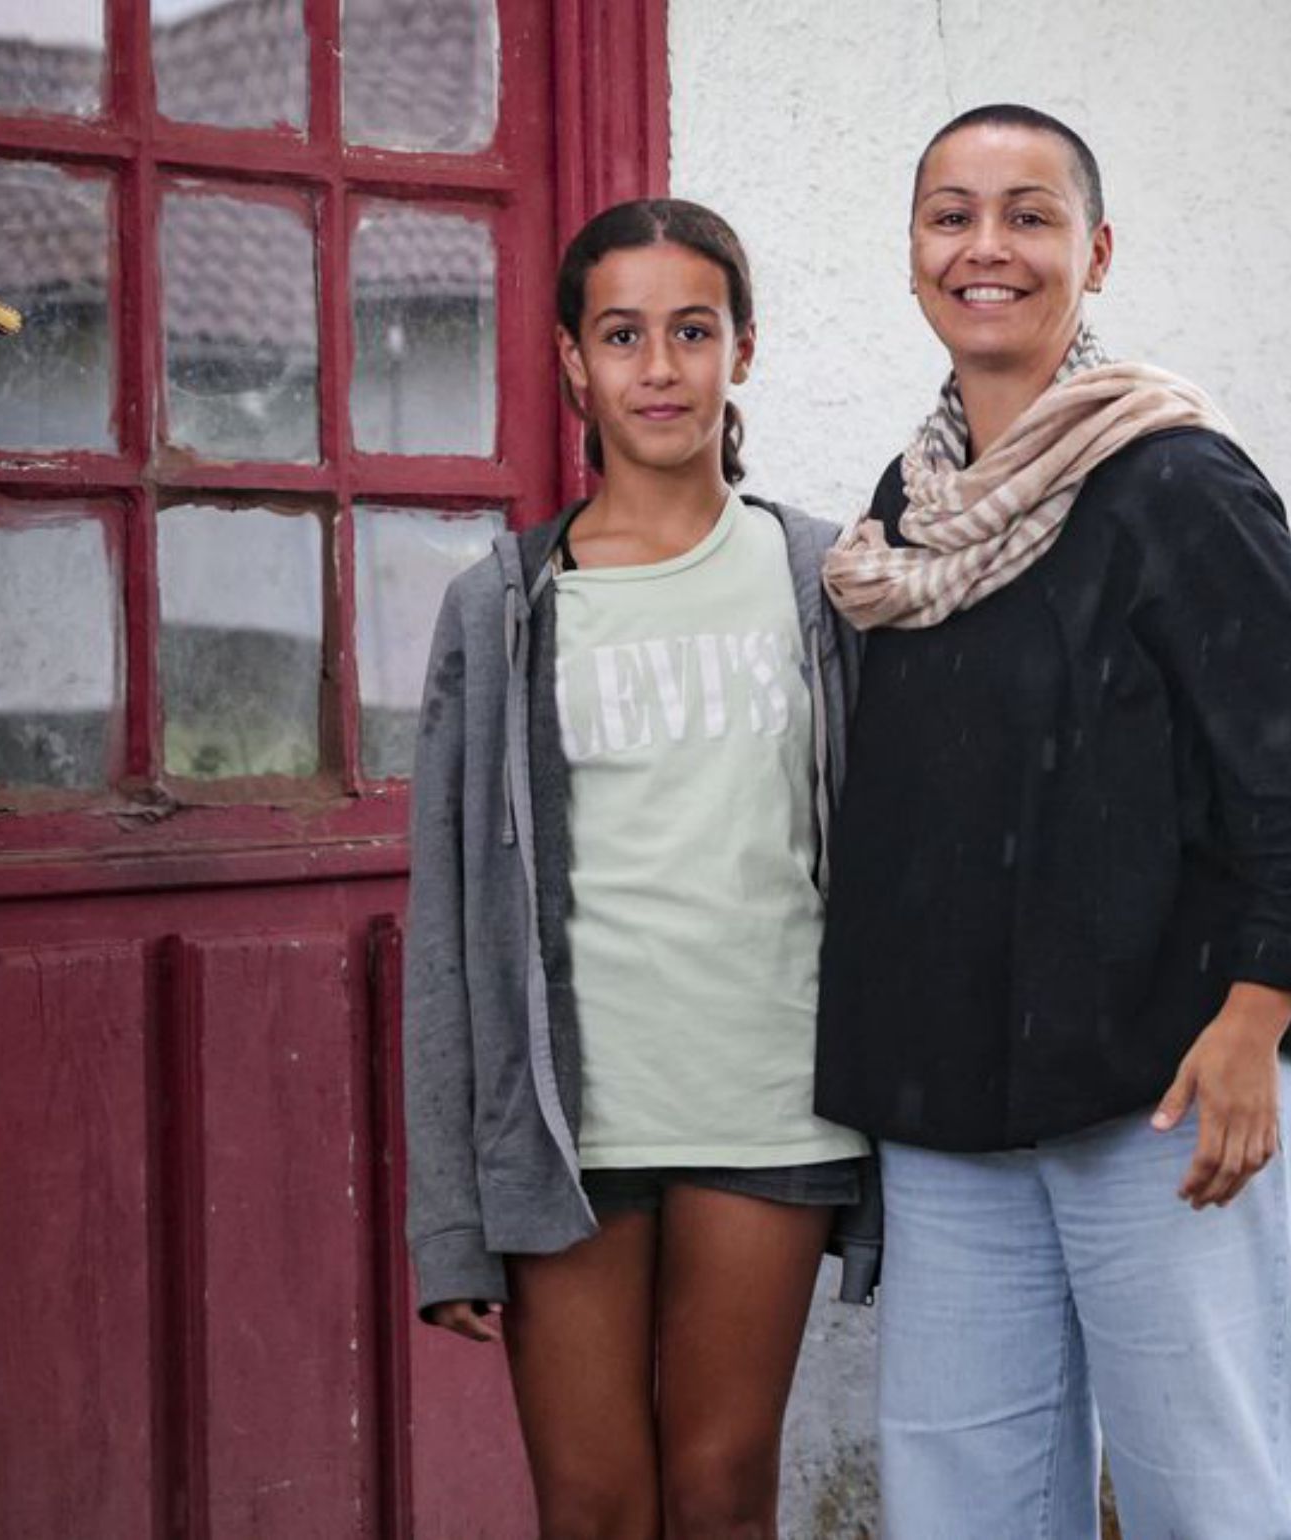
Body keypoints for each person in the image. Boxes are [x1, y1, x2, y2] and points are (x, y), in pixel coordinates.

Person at [818, 104, 1291, 1538]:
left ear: (1096, 250)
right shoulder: (911, 515)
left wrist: (1257, 1023)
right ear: (914, 252)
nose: (985, 246)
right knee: (965, 1508)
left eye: (1029, 214)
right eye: (951, 214)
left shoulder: (1176, 482)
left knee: (1216, 1501)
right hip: (953, 1114)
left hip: (1166, 1095)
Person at [405, 197, 878, 1540]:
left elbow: (886, 862)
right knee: (597, 1506)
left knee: (723, 1489)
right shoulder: (501, 607)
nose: (659, 369)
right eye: (624, 335)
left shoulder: (818, 579)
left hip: (769, 1099)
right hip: (569, 1126)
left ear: (744, 349)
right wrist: (452, 1217)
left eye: (692, 330)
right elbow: (448, 928)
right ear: (573, 360)